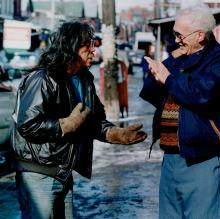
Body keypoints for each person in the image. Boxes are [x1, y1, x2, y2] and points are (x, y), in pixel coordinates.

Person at [11, 21, 147, 219]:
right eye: (89, 45)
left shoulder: (84, 79)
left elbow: (92, 121)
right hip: (38, 175)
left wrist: (114, 133)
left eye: (95, 43)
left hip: (63, 172)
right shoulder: (42, 78)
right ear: (72, 46)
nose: (94, 49)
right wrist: (64, 125)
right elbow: (28, 124)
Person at [140, 6, 220, 219]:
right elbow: (152, 92)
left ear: (200, 35)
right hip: (171, 155)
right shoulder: (179, 56)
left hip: (202, 157)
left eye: (179, 34)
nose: (176, 39)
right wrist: (158, 72)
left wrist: (168, 78)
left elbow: (202, 94)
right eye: (174, 33)